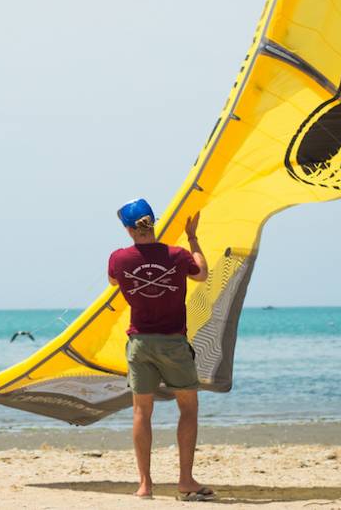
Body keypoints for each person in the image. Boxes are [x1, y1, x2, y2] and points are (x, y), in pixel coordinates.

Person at [107, 199, 213, 501]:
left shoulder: (119, 258)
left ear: (128, 229)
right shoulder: (178, 255)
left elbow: (113, 281)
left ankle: (145, 485)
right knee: (188, 408)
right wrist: (192, 237)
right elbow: (202, 273)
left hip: (140, 343)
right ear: (153, 222)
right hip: (173, 342)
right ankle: (185, 481)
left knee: (142, 411)